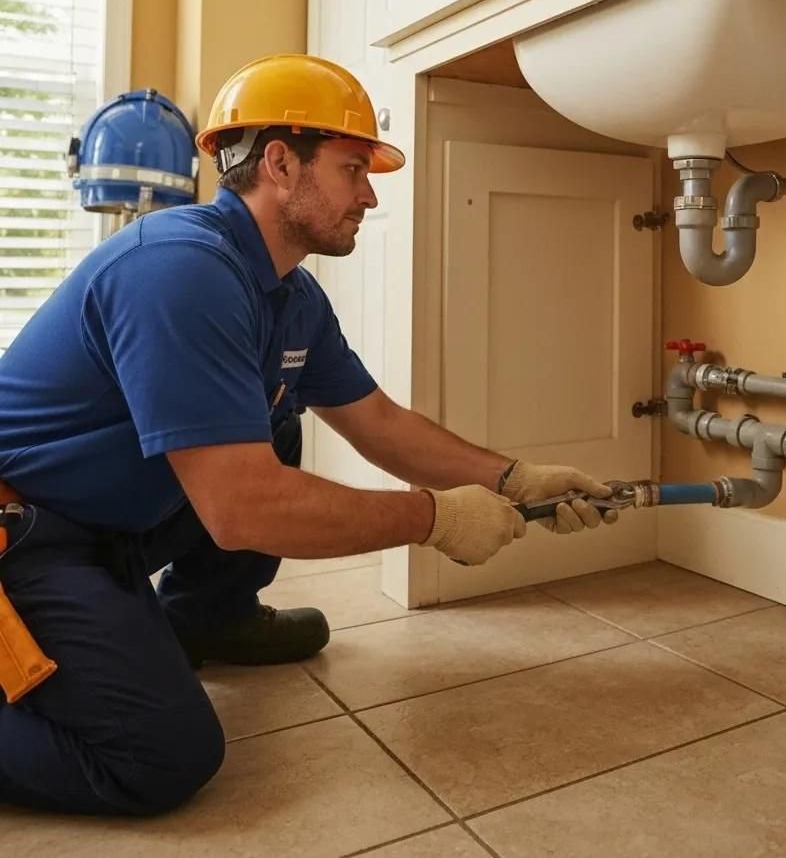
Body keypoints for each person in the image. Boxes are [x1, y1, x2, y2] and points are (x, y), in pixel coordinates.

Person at [0, 54, 615, 816]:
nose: (369, 192)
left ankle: (208, 620)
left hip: (109, 522)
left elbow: (378, 422)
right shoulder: (180, 271)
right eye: (354, 167)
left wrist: (512, 478)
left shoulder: (289, 296)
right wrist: (435, 519)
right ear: (282, 164)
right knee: (161, 756)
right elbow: (243, 509)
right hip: (26, 536)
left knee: (274, 420)